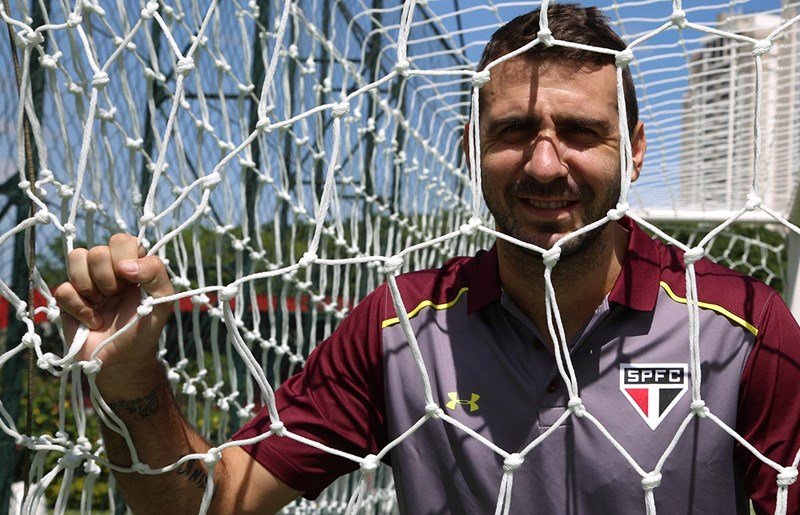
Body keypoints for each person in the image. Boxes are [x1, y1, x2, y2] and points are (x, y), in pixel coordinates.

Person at [53, 4, 800, 514]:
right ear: (470, 148)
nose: (545, 164)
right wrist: (133, 383)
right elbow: (214, 502)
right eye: (513, 131)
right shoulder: (402, 329)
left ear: (633, 150)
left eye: (580, 131)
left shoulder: (741, 329)